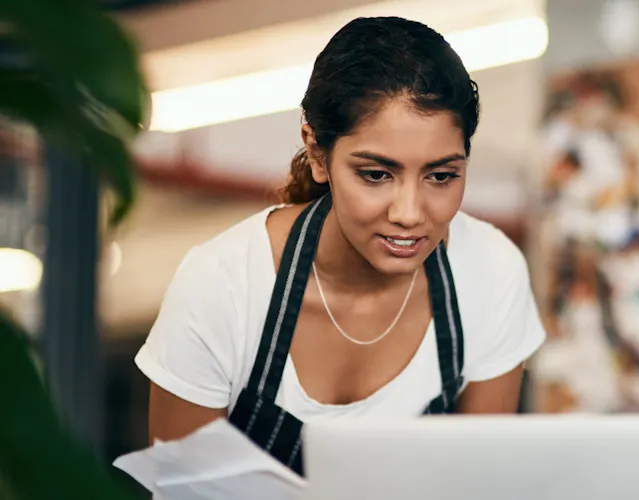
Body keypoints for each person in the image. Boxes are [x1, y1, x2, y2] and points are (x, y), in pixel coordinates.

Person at [135, 16, 547, 475]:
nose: (409, 213)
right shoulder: (222, 287)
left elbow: (479, 486)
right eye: (376, 175)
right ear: (316, 153)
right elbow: (184, 491)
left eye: (442, 176)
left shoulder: (490, 274)